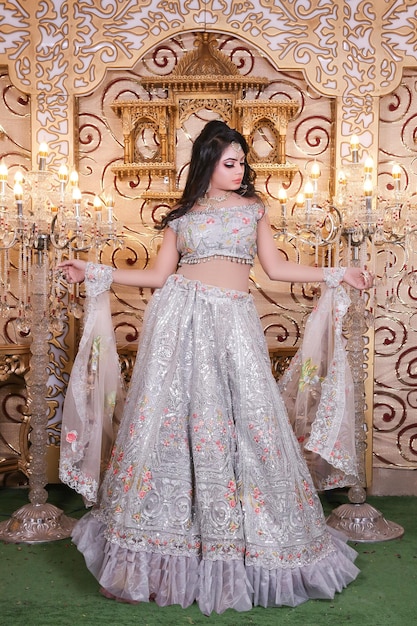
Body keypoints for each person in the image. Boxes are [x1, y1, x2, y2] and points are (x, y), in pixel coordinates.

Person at [58, 120, 373, 615]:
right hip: (179, 324)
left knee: (248, 425)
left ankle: (251, 546)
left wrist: (337, 273)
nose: (240, 170)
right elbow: (160, 276)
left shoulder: (253, 211)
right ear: (207, 162)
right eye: (231, 162)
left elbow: (276, 268)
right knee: (167, 429)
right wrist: (96, 271)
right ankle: (150, 555)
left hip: (232, 324)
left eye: (243, 162)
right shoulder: (181, 219)